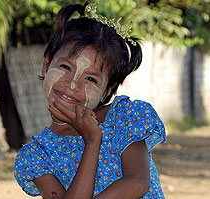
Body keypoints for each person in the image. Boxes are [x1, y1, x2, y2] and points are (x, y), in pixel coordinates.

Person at [14, 2, 166, 199]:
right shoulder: (37, 155)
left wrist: (95, 137)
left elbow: (137, 182)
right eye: (66, 67)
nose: (72, 84)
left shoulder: (125, 118)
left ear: (106, 91)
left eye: (91, 79)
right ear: (46, 64)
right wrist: (92, 142)